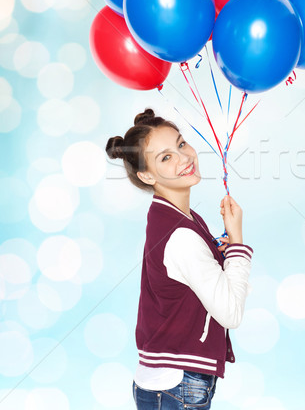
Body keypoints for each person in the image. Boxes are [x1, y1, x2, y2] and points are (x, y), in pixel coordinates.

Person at [106, 107, 254, 409]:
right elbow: (231, 313)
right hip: (177, 385)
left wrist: (216, 254)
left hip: (168, 382)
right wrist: (237, 243)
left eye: (181, 144)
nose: (185, 158)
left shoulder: (178, 217)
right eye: (166, 157)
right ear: (146, 175)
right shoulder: (181, 235)